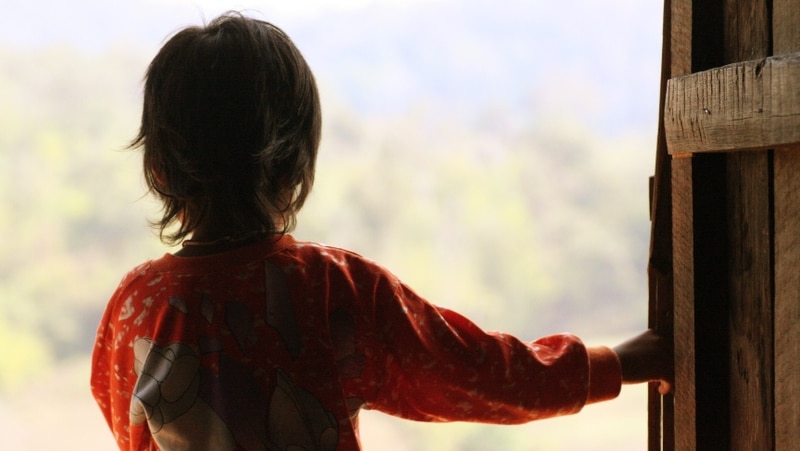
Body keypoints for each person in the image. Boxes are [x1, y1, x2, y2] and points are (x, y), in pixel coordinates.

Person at [90, 12, 671, 451]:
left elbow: (126, 421)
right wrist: (614, 363)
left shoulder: (134, 308)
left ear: (160, 170)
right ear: (296, 166)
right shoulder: (331, 291)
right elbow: (479, 375)